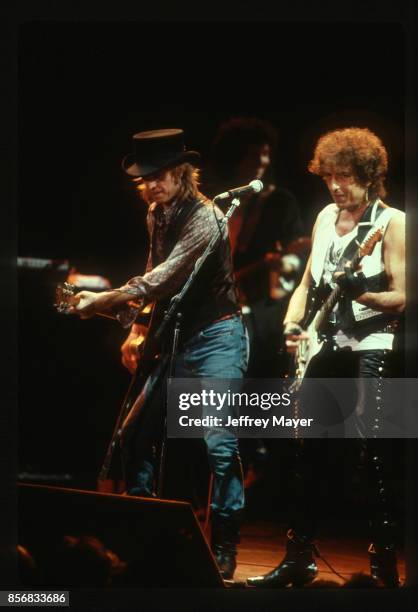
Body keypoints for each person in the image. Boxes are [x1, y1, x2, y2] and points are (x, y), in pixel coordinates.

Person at [72, 128, 248, 580]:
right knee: (136, 434)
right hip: (173, 333)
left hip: (217, 335)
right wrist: (140, 327)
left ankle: (225, 544)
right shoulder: (156, 213)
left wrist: (105, 299)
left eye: (158, 176)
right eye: (144, 178)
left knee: (219, 444)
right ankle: (143, 533)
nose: (150, 186)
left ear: (180, 173)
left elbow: (163, 278)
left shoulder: (207, 217)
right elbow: (153, 272)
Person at [247, 127, 405, 588]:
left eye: (347, 177)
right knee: (305, 451)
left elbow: (404, 297)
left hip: (374, 346)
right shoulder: (322, 218)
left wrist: (364, 295)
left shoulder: (391, 223)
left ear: (370, 176)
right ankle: (299, 557)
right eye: (330, 176)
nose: (336, 186)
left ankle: (383, 567)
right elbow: (304, 287)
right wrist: (292, 327)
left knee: (374, 452)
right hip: (326, 344)